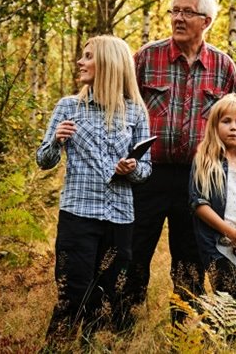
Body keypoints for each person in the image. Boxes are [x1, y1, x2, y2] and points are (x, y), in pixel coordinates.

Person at [128, 0, 236, 320]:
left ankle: (185, 331)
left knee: (190, 259)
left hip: (198, 179)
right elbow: (122, 110)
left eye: (187, 12)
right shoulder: (147, 58)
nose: (178, 18)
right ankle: (120, 325)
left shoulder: (222, 66)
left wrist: (232, 176)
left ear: (206, 21)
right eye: (174, 11)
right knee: (134, 251)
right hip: (148, 174)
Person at [37, 35, 153, 340]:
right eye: (82, 56)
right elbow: (44, 160)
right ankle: (56, 348)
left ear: (109, 64)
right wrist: (56, 141)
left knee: (107, 300)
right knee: (72, 294)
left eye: (88, 56)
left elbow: (145, 170)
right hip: (78, 215)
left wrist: (131, 168)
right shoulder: (68, 107)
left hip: (120, 219)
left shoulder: (136, 112)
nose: (80, 61)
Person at [188, 94, 236, 307]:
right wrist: (231, 233)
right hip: (217, 244)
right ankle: (222, 338)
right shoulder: (205, 162)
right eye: (226, 121)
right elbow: (199, 204)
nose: (233, 128)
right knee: (228, 293)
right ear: (215, 126)